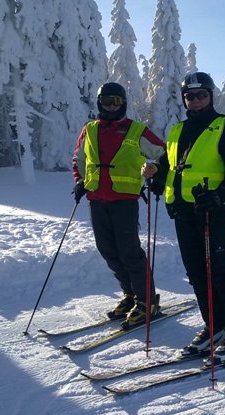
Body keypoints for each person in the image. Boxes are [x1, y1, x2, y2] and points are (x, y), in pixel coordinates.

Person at [155, 72, 225, 363]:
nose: (196, 100)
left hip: (213, 212)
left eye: (201, 95)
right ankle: (216, 328)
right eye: (190, 96)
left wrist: (220, 194)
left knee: (223, 273)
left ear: (211, 96)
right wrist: (155, 177)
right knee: (198, 274)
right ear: (184, 99)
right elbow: (170, 167)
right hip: (183, 212)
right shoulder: (177, 130)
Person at [72, 82, 165, 329]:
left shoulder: (136, 130)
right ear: (99, 103)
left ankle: (148, 302)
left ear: (123, 103)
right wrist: (80, 181)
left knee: (129, 252)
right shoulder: (89, 129)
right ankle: (131, 295)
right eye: (106, 101)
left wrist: (155, 170)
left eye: (116, 101)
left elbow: (163, 153)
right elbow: (79, 158)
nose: (111, 106)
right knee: (107, 250)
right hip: (97, 200)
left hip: (124, 200)